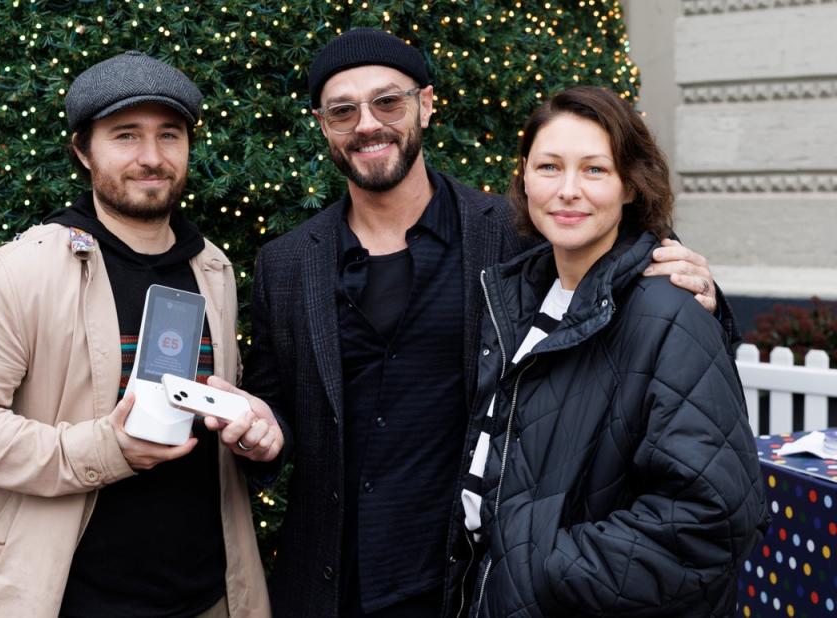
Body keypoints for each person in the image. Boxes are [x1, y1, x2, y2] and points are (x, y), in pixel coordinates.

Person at [226, 28, 736, 618]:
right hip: (328, 585)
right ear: (323, 124)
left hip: (464, 582)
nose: (367, 124)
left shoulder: (518, 234)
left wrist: (706, 298)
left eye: (387, 101)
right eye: (343, 110)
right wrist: (260, 433)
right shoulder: (286, 263)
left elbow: (623, 303)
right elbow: (273, 407)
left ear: (427, 104)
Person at [0, 51, 277, 617]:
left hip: (209, 596)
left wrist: (251, 433)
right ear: (83, 151)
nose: (152, 157)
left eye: (170, 135)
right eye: (126, 136)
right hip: (69, 600)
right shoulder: (24, 268)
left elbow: (209, 410)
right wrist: (103, 450)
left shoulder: (213, 268)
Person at [461, 86, 769, 617]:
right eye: (549, 167)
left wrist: (536, 567)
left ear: (630, 186)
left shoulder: (668, 309)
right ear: (524, 178)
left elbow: (710, 520)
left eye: (595, 170)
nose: (568, 190)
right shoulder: (517, 298)